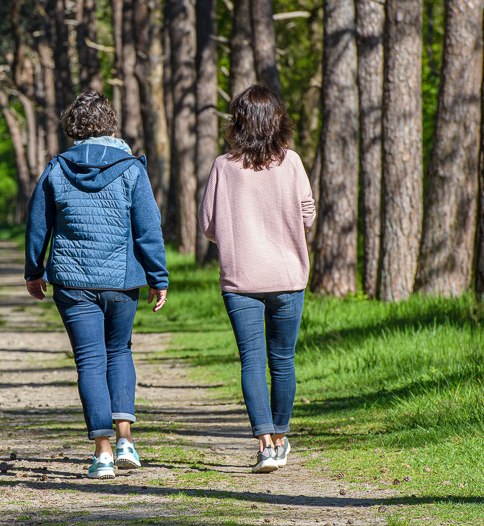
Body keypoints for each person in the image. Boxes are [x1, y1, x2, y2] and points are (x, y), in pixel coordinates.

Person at [25, 91, 169, 480]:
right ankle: (127, 442)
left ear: (72, 126)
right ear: (111, 122)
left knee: (89, 359)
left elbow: (38, 225)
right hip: (121, 280)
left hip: (71, 282)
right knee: (119, 351)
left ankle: (102, 454)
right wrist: (158, 278)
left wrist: (33, 271)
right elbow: (148, 228)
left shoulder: (57, 168)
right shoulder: (132, 169)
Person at [198, 84, 315, 474]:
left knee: (251, 360)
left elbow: (208, 226)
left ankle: (264, 444)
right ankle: (281, 438)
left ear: (238, 122)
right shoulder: (293, 162)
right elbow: (308, 216)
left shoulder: (223, 166)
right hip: (288, 277)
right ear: (277, 120)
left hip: (241, 278)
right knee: (282, 360)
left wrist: (237, 233)